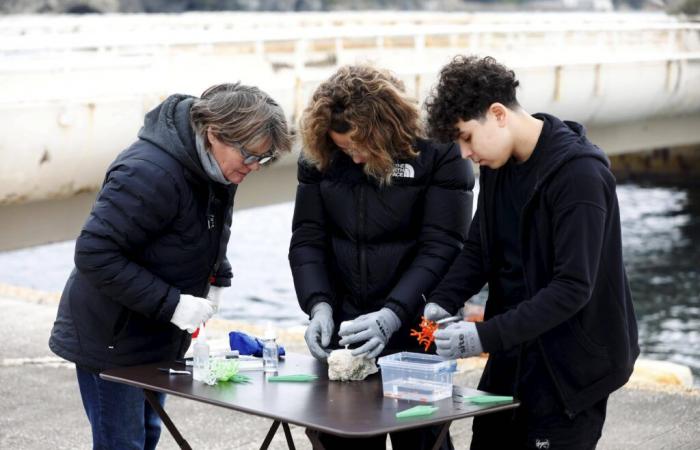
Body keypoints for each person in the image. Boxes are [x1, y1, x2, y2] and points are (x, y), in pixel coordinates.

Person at [49, 83, 291, 450]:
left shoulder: (218, 168)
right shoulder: (149, 172)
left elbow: (211, 230)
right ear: (214, 133)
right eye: (249, 156)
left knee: (147, 434)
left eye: (263, 160)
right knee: (123, 443)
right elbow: (95, 253)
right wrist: (174, 303)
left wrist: (217, 279)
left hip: (157, 334)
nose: (254, 167)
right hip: (111, 339)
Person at [422, 55, 639, 450]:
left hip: (569, 369)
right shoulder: (497, 164)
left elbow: (572, 287)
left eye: (466, 137)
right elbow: (478, 248)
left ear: (498, 113)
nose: (465, 154)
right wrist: (442, 299)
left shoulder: (580, 176)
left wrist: (481, 336)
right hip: (512, 354)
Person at [289, 65, 474, 450]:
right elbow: (308, 239)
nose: (353, 158)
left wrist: (393, 314)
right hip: (348, 331)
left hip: (416, 333)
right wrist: (318, 305)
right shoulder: (319, 156)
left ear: (386, 129)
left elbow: (443, 246)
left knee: (423, 441)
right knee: (340, 440)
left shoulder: (439, 152)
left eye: (359, 146)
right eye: (343, 148)